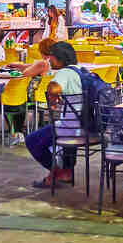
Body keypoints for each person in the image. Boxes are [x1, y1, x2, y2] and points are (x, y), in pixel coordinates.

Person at [24, 41, 84, 188]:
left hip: (70, 127)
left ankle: (58, 172)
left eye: (51, 57)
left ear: (59, 59)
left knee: (32, 140)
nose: (49, 60)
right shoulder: (82, 70)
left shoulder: (64, 73)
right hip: (86, 125)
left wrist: (52, 97)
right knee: (62, 139)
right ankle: (64, 172)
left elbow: (54, 87)